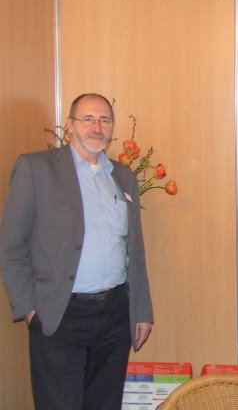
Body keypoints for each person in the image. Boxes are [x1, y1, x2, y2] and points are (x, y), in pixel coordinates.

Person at [0, 93, 154, 410]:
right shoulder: (36, 169)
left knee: (104, 404)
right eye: (88, 119)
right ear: (69, 125)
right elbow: (11, 245)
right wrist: (30, 309)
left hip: (114, 313)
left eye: (104, 120)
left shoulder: (123, 177)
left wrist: (141, 310)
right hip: (59, 314)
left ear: (112, 129)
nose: (97, 127)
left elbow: (135, 251)